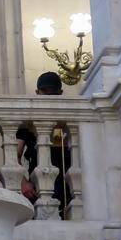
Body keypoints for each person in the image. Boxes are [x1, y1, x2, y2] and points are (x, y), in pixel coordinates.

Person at [16, 71, 73, 218]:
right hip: (39, 184)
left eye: (53, 92)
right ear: (37, 92)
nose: (49, 96)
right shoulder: (28, 124)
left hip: (67, 184)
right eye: (45, 91)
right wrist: (23, 182)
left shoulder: (68, 119)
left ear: (60, 93)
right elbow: (14, 154)